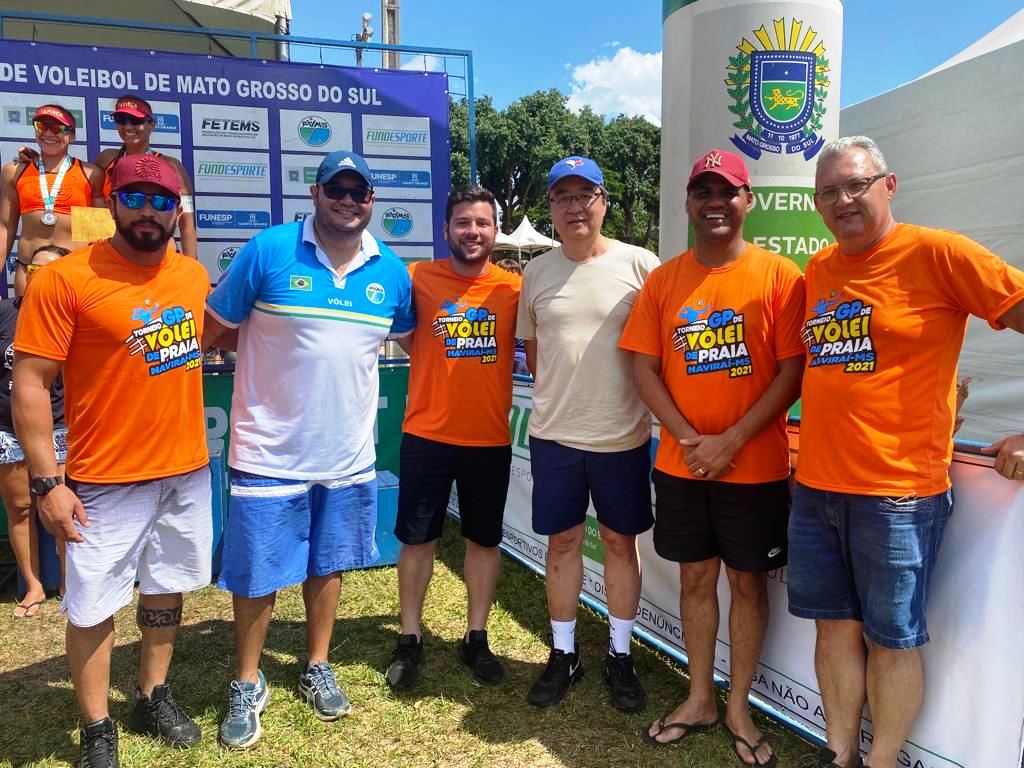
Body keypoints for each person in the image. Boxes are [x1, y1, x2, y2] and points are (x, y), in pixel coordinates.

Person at [789, 136, 1024, 768]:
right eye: (829, 191)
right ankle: (839, 755)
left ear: (887, 186)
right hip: (815, 488)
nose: (843, 200)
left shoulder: (938, 253)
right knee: (832, 629)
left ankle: (883, 760)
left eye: (856, 185)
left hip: (900, 495)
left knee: (892, 640)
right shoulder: (819, 271)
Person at [204, 150, 414, 749]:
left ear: (372, 201)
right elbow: (213, 328)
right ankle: (247, 679)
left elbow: (412, 343)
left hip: (348, 457)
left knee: (329, 566)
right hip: (267, 452)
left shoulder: (391, 272)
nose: (348, 201)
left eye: (359, 192)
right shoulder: (270, 250)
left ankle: (316, 664)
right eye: (337, 190)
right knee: (256, 572)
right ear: (315, 194)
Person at [13, 154, 210, 768]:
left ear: (176, 210)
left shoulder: (193, 279)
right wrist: (49, 480)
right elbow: (30, 383)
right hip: (102, 481)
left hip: (185, 471)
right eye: (135, 198)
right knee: (94, 607)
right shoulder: (65, 278)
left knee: (166, 588)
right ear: (112, 205)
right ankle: (98, 726)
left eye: (160, 200)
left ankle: (152, 694)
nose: (148, 211)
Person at [620, 149, 805, 767]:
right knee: (697, 578)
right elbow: (643, 366)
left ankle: (739, 705)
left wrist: (730, 441)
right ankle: (700, 696)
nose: (715, 203)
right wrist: (689, 437)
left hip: (754, 467)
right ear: (689, 204)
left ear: (747, 200)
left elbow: (791, 371)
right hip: (681, 465)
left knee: (748, 584)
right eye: (703, 192)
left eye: (726, 191)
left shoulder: (781, 276)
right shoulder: (665, 279)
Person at [516, 155, 660, 711]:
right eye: (563, 197)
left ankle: (620, 655)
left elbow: (659, 350)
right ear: (550, 208)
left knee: (622, 546)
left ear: (603, 202)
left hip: (622, 437)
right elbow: (534, 356)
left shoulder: (641, 264)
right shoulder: (537, 271)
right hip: (554, 436)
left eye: (585, 195)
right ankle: (564, 654)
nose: (575, 206)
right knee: (563, 545)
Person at [384, 186, 520, 691]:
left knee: (484, 540)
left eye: (482, 223)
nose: (473, 232)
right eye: (463, 222)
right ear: (446, 229)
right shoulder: (417, 278)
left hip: (488, 438)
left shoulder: (513, 289)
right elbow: (398, 329)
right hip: (427, 433)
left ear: (495, 231)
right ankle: (410, 637)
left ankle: (476, 636)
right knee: (418, 539)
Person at [0, 244, 69, 618]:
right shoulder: (3, 315)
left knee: (58, 507)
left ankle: (70, 585)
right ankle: (34, 585)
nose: (36, 276)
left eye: (48, 271)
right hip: (6, 428)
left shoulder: (71, 317)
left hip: (57, 424)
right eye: (31, 268)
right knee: (20, 508)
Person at [0, 104, 104, 297]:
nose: (48, 133)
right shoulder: (14, 171)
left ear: (72, 136)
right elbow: (5, 227)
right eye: (42, 126)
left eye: (57, 128)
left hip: (74, 275)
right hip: (28, 271)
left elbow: (98, 236)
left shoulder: (90, 174)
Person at [96, 96, 198, 258]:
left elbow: (187, 223)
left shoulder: (171, 166)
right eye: (121, 120)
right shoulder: (106, 159)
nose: (128, 126)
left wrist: (193, 268)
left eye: (136, 121)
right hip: (114, 253)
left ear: (152, 124)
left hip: (157, 252)